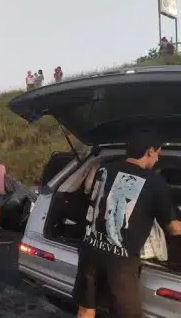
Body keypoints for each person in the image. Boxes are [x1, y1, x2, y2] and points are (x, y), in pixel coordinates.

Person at [73, 131, 181, 318]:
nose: (158, 157)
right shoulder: (155, 182)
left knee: (86, 308)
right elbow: (174, 228)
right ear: (149, 151)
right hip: (121, 264)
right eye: (158, 153)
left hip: (90, 251)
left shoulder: (104, 170)